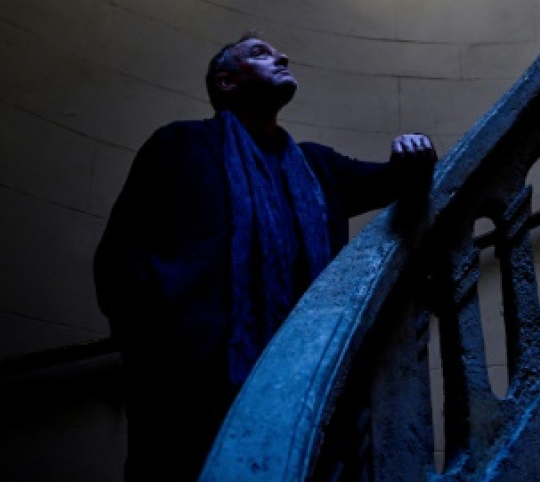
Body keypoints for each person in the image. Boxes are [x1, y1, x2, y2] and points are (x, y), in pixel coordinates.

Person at [94, 31, 437, 482]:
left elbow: (393, 182)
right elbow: (120, 258)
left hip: (305, 381)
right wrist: (158, 351)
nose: (282, 56)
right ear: (226, 82)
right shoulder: (179, 146)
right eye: (260, 53)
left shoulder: (318, 166)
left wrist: (415, 155)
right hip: (189, 389)